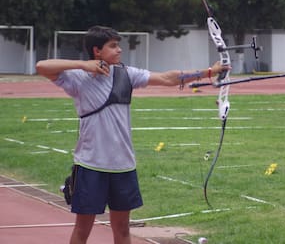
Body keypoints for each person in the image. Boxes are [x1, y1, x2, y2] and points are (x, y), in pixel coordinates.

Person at [36, 25, 228, 244]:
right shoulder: (79, 78)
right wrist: (83, 64)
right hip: (91, 165)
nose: (119, 50)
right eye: (113, 46)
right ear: (97, 51)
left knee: (123, 231)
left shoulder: (126, 74)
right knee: (82, 230)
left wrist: (209, 72)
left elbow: (168, 78)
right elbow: (42, 66)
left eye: (119, 45)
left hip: (123, 166)